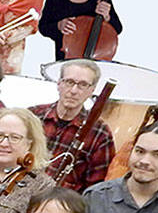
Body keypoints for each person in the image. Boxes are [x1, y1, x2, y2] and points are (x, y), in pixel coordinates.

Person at [29, 59, 116, 191]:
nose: (74, 90)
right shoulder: (32, 116)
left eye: (82, 85)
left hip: (59, 204)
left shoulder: (100, 134)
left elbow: (95, 189)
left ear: (91, 90)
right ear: (59, 84)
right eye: (69, 82)